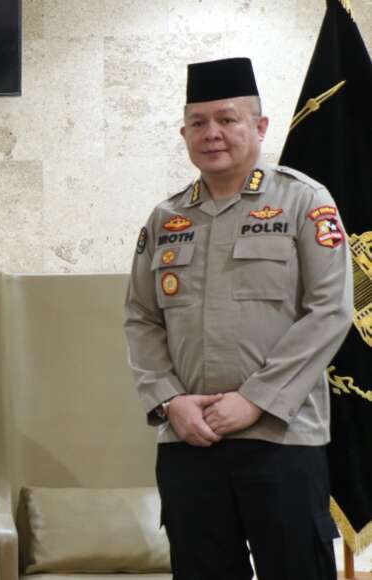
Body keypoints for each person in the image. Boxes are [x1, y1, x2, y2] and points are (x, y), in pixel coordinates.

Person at [124, 57, 353, 579]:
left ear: (260, 125)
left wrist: (255, 400)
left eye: (227, 119)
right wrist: (170, 400)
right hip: (188, 439)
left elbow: (330, 310)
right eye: (199, 122)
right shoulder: (166, 218)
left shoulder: (303, 201)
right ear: (184, 133)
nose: (213, 133)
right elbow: (141, 318)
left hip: (281, 438)